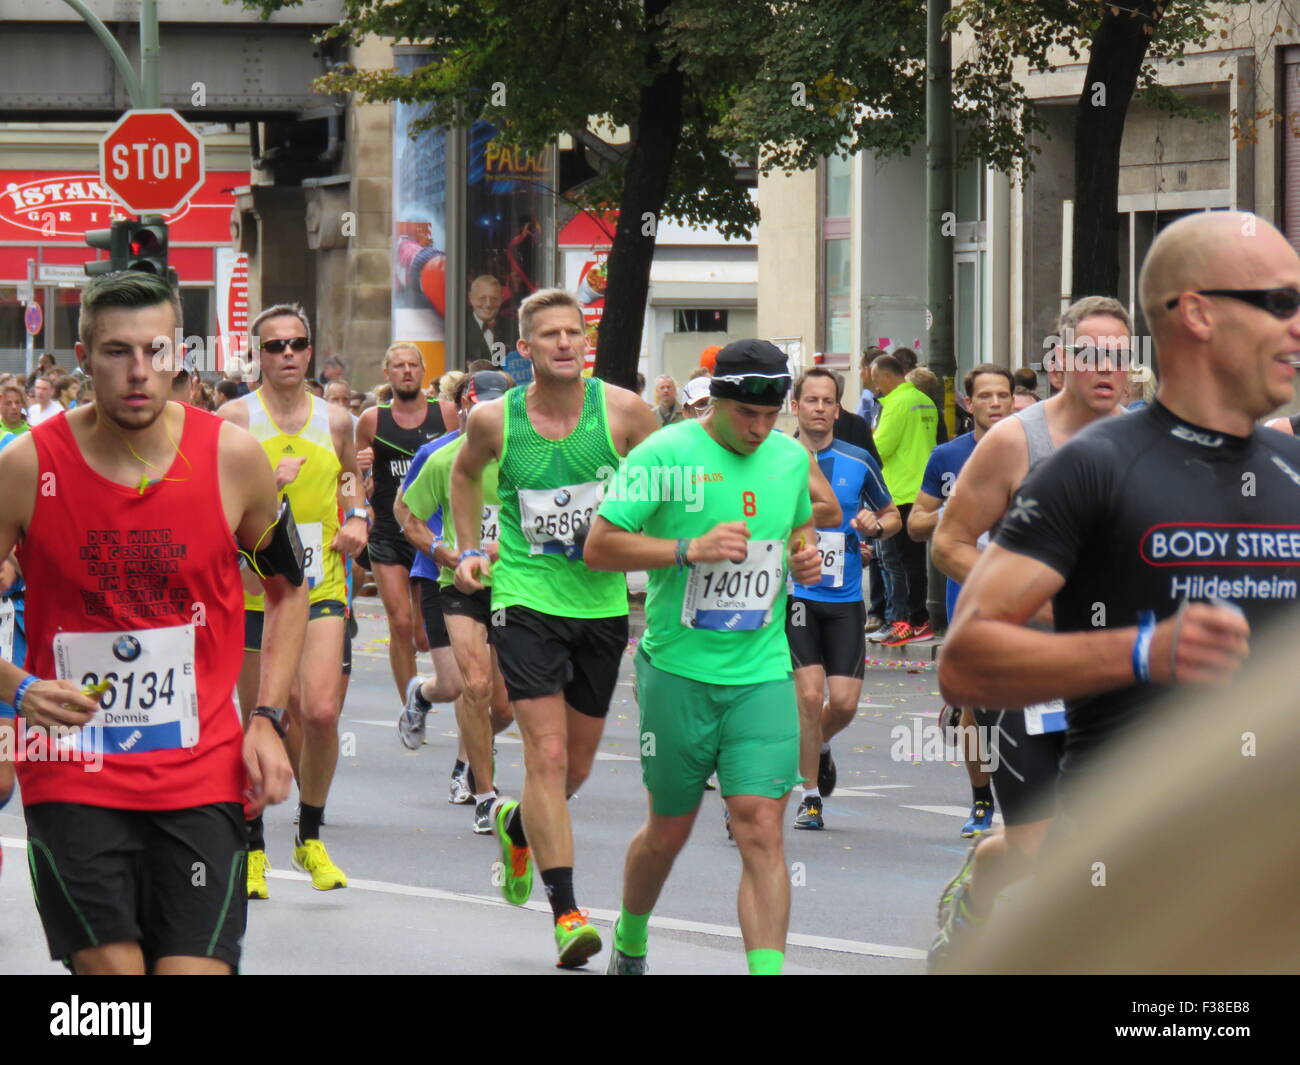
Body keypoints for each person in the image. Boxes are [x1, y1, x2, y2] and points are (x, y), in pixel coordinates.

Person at [0, 270, 305, 974]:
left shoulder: (231, 458)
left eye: (156, 351)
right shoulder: (26, 467)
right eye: (116, 352)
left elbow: (290, 589)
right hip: (70, 765)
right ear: (81, 355)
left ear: (178, 354)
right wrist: (16, 687)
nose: (139, 373)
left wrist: (266, 717)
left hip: (200, 772)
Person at [584, 338, 824, 975]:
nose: (760, 428)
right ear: (713, 399)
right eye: (748, 413)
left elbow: (797, 527)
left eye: (773, 415)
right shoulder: (664, 454)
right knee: (670, 829)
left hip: (763, 672)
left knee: (759, 825)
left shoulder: (789, 459)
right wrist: (688, 548)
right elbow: (600, 547)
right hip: (677, 673)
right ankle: (631, 936)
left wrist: (805, 554)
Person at [451, 287, 659, 968]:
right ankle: (567, 911)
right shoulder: (495, 420)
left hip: (601, 606)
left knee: (573, 766)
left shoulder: (625, 412)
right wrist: (472, 550)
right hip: (524, 597)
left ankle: (517, 822)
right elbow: (463, 476)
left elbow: (671, 482)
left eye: (575, 332)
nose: (566, 343)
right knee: (542, 755)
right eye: (551, 336)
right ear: (525, 349)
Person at [927, 295, 1134, 966]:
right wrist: (1028, 598)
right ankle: (979, 898)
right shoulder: (1016, 441)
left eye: (1120, 356)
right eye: (1091, 354)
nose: (1107, 369)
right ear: (1061, 362)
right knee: (1036, 850)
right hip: (1019, 671)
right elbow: (949, 543)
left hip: (1110, 672)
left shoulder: (1151, 444)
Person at [219, 302, 369, 897]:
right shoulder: (233, 418)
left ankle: (309, 836)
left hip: (319, 581)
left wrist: (356, 515)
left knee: (321, 712)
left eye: (296, 344)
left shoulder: (336, 420)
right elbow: (208, 499)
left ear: (310, 352)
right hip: (252, 592)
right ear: (258, 355)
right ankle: (252, 846)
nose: (286, 354)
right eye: (273, 345)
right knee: (262, 718)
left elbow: (350, 482)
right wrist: (263, 485)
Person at [398, 370, 516, 831]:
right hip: (457, 583)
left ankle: (474, 752)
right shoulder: (443, 456)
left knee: (503, 708)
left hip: (514, 587)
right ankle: (485, 794)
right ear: (463, 406)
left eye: (499, 407)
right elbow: (405, 513)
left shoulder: (526, 457)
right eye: (480, 405)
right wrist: (440, 549)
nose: (489, 415)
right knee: (474, 684)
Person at [785, 368, 900, 831]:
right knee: (810, 697)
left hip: (846, 597)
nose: (818, 408)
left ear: (838, 408)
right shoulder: (777, 458)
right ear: (795, 406)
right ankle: (809, 795)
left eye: (827, 400)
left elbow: (892, 515)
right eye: (809, 399)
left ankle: (817, 746)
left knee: (845, 704)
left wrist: (876, 525)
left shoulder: (857, 459)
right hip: (796, 595)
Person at [907, 363, 1013, 837]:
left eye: (1002, 395)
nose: (994, 403)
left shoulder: (1033, 448)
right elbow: (915, 525)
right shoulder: (947, 456)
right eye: (985, 396)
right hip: (966, 592)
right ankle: (981, 801)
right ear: (968, 404)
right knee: (977, 707)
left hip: (1023, 590)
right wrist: (955, 509)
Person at [355, 344, 457, 709]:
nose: (407, 371)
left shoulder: (445, 414)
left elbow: (464, 463)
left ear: (423, 369)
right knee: (399, 624)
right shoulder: (372, 420)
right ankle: (410, 709)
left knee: (423, 637)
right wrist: (361, 471)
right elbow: (352, 476)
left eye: (413, 365)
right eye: (398, 365)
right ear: (388, 373)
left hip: (429, 533)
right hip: (387, 531)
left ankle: (420, 689)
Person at [869, 352, 938, 646]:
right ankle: (915, 620)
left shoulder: (897, 402)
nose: (875, 388)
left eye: (876, 381)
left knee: (896, 562)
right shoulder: (925, 401)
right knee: (912, 561)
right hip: (920, 489)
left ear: (886, 376)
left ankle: (907, 621)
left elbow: (879, 448)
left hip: (899, 490)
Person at [466, 274, 519, 365]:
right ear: (471, 298)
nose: (488, 304)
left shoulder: (513, 328)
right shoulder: (460, 327)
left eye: (494, 299)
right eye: (482, 298)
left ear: (502, 299)